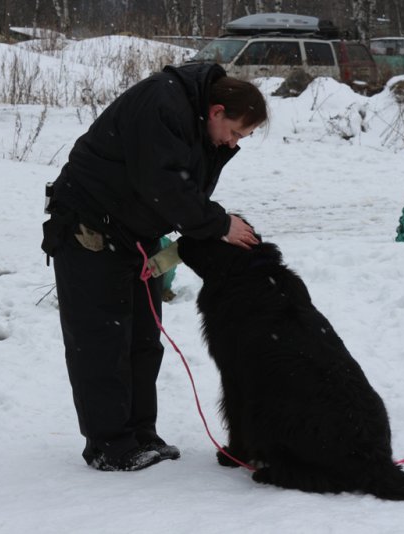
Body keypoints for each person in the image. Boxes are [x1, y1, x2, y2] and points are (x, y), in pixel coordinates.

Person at [41, 62, 268, 471]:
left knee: (143, 339)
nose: (234, 144)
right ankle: (109, 444)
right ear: (216, 111)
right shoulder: (161, 103)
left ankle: (141, 433)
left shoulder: (201, 126)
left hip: (135, 231)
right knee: (102, 341)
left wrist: (171, 249)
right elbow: (164, 185)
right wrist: (218, 224)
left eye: (242, 139)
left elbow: (182, 189)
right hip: (89, 226)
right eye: (235, 132)